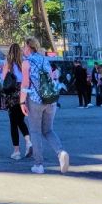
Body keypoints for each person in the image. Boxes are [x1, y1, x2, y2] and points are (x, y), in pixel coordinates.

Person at [20, 35, 69, 174]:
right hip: (50, 99)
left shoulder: (26, 62)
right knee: (48, 130)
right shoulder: (45, 60)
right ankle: (61, 153)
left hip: (35, 100)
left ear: (29, 47)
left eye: (24, 46)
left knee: (35, 131)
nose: (23, 49)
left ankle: (39, 164)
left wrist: (22, 101)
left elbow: (25, 84)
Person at [0, 42, 32, 159]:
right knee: (20, 120)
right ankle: (28, 141)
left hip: (12, 93)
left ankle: (16, 151)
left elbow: (3, 78)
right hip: (23, 92)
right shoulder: (24, 62)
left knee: (13, 123)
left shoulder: (8, 63)